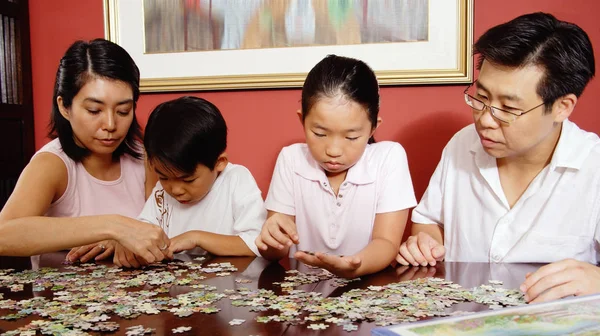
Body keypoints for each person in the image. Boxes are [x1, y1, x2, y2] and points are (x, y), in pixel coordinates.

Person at [396, 12, 600, 303]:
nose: (485, 120)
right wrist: (426, 243)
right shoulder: (461, 145)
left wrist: (596, 278)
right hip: (461, 331)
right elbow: (429, 221)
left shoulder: (594, 167)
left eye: (508, 108)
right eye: (481, 97)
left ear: (562, 107)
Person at [0, 39, 171, 264]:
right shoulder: (53, 164)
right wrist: (113, 227)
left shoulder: (145, 158)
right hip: (66, 296)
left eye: (123, 111)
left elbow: (165, 229)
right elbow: (4, 234)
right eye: (94, 110)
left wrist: (123, 240)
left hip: (140, 294)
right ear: (64, 106)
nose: (110, 124)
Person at [256, 54, 416, 278]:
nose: (333, 150)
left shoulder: (389, 158)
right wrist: (272, 238)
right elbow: (276, 250)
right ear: (302, 120)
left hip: (369, 291)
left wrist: (355, 266)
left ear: (372, 128)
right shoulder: (291, 159)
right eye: (319, 133)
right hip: (302, 298)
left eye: (351, 137)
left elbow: (387, 242)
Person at [129, 96, 266, 267]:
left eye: (188, 179)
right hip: (175, 288)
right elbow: (142, 232)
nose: (176, 189)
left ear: (219, 163)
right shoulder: (161, 192)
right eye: (163, 177)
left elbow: (258, 243)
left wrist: (196, 238)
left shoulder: (236, 179)